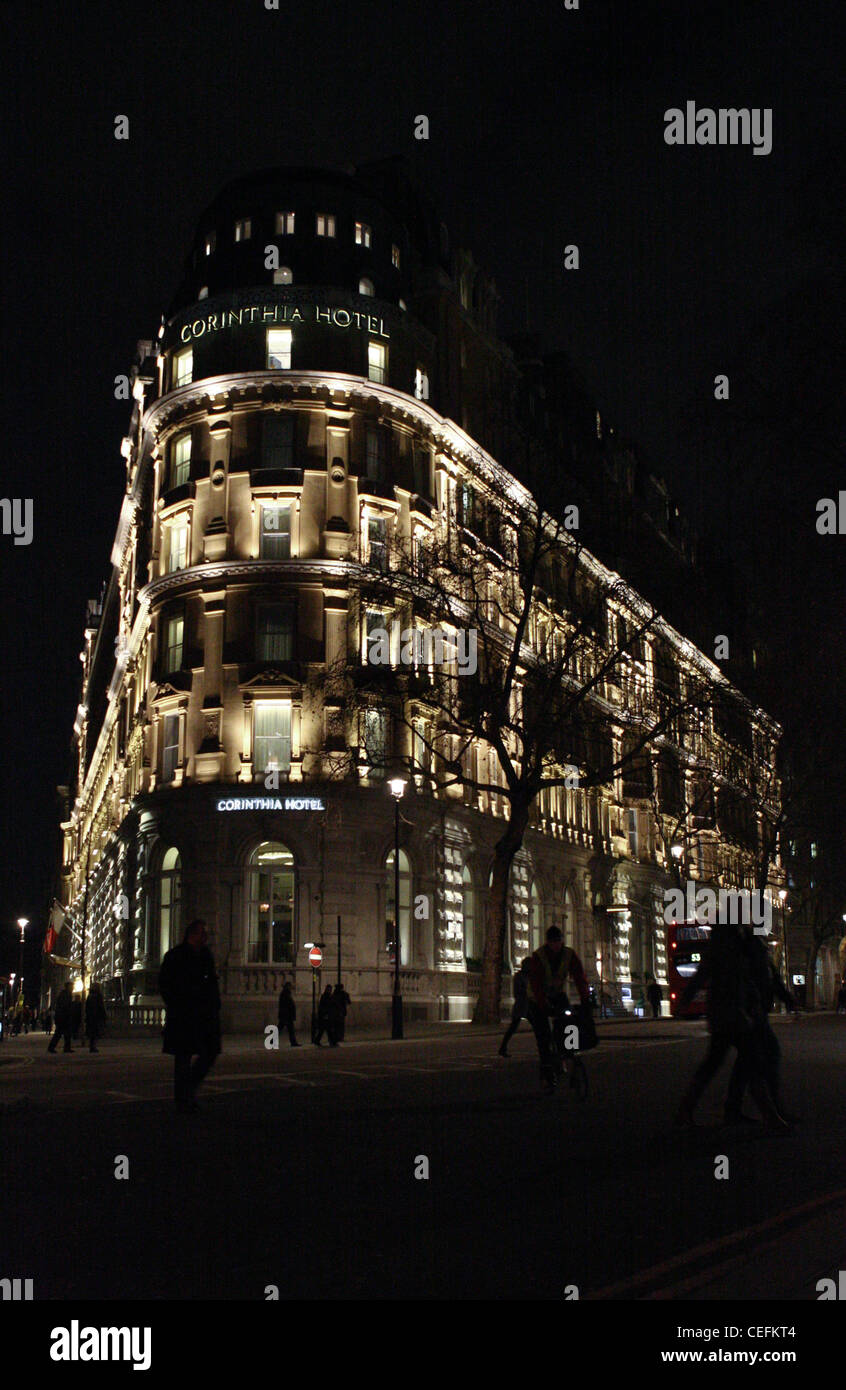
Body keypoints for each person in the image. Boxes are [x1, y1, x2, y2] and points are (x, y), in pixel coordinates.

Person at [674, 920, 789, 1132]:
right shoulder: (731, 948)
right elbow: (722, 980)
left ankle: (688, 1109)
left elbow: (702, 978)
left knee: (715, 1064)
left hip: (728, 1014)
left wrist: (684, 1001)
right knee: (748, 1062)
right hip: (733, 1015)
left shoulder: (728, 946)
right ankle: (769, 1116)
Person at [724, 927, 797, 1124]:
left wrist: (786, 998)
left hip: (753, 1011)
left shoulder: (754, 941)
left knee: (746, 1062)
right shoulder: (747, 941)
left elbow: (771, 976)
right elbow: (752, 977)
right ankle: (773, 1112)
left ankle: (736, 1109)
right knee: (766, 1055)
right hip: (751, 1012)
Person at [159, 919, 221, 1112]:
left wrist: (214, 1005)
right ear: (192, 934)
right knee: (183, 1058)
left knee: (209, 1053)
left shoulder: (205, 956)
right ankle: (183, 1099)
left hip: (203, 1014)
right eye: (203, 934)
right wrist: (178, 1004)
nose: (206, 938)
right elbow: (165, 985)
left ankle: (188, 1091)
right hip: (183, 1015)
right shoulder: (175, 956)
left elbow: (211, 983)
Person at [526, 926, 591, 1093]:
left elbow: (579, 977)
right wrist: (544, 1005)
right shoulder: (538, 957)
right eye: (552, 942)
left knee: (570, 1022)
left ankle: (572, 1053)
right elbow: (536, 984)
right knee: (544, 1036)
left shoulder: (569, 955)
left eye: (558, 941)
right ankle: (547, 1070)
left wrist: (585, 1000)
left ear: (562, 941)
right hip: (536, 999)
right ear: (548, 942)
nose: (556, 945)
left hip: (557, 995)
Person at [499, 958, 531, 1056]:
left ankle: (503, 1048)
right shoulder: (520, 976)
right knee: (513, 1027)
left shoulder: (527, 976)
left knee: (514, 1027)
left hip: (526, 1004)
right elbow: (519, 991)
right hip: (522, 1004)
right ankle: (503, 1047)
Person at [47, 982, 74, 1054]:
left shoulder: (65, 994)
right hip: (63, 1017)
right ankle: (52, 1047)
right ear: (68, 987)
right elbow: (65, 1006)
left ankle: (66, 1047)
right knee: (60, 1033)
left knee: (66, 1033)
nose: (73, 988)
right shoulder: (66, 995)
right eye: (71, 986)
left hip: (63, 1017)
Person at [85, 982, 107, 1053]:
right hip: (96, 1016)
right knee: (95, 1032)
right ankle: (93, 1046)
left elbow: (87, 1007)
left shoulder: (90, 995)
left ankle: (92, 1046)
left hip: (91, 1017)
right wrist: (104, 1015)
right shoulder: (98, 996)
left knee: (92, 1033)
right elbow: (100, 1006)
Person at [277, 981, 300, 1047]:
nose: (290, 988)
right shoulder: (285, 994)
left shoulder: (285, 993)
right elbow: (287, 1005)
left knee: (288, 1030)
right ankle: (293, 1042)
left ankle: (293, 1042)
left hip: (286, 1015)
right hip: (286, 1015)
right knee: (286, 1029)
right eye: (289, 986)